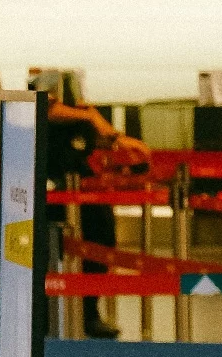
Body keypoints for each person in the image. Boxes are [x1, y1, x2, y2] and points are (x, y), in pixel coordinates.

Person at [45, 74, 149, 338]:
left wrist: (108, 133)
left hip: (83, 182)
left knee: (100, 242)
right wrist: (91, 117)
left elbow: (96, 133)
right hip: (50, 182)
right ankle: (47, 316)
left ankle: (89, 312)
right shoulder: (46, 81)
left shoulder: (77, 98)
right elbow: (44, 106)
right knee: (49, 250)